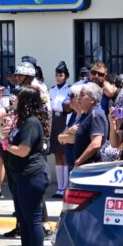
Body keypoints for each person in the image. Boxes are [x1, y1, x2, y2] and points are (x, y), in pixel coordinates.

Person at [3, 86, 51, 246]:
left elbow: (23, 150)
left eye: (17, 98)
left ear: (26, 102)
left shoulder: (32, 123)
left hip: (32, 175)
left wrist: (6, 145)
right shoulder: (20, 122)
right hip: (19, 175)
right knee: (23, 219)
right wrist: (5, 134)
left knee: (33, 219)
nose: (14, 100)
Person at [58, 82, 107, 168]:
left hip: (90, 167)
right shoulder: (86, 115)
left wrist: (79, 161)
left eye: (82, 95)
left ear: (92, 99)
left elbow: (96, 143)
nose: (78, 98)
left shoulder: (95, 114)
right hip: (83, 166)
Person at [48, 61, 73, 198]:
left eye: (61, 75)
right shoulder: (51, 90)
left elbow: (69, 110)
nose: (58, 77)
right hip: (55, 120)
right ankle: (59, 187)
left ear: (66, 76)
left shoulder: (69, 90)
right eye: (57, 75)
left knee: (64, 154)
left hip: (65, 120)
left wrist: (67, 127)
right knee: (57, 155)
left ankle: (66, 187)